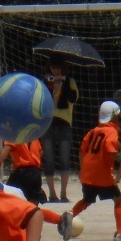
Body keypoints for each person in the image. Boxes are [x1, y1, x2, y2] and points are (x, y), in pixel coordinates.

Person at [70, 100, 121, 240]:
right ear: (115, 116)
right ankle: (120, 232)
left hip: (87, 174)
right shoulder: (111, 132)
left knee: (87, 199)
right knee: (118, 200)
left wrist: (82, 169)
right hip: (103, 176)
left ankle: (69, 214)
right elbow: (111, 151)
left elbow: (81, 151)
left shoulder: (92, 132)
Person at [41, 60, 79, 202]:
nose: (56, 71)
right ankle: (52, 194)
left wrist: (62, 85)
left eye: (58, 68)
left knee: (64, 159)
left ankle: (63, 193)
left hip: (64, 123)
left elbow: (73, 99)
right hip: (48, 123)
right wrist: (52, 87)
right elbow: (41, 100)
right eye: (53, 67)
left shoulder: (70, 82)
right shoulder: (45, 82)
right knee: (49, 160)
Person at [0, 138, 47, 205]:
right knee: (33, 199)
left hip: (22, 172)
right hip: (35, 172)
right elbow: (40, 152)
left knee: (8, 194)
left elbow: (7, 148)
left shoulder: (15, 136)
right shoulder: (33, 137)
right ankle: (33, 210)